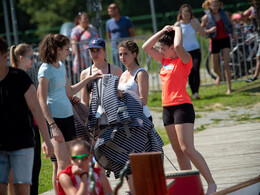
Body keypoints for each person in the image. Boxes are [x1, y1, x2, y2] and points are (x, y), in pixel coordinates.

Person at [142, 25, 217, 195]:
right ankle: (190, 189)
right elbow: (145, 47)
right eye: (159, 48)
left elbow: (177, 46)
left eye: (162, 48)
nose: (160, 51)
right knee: (178, 151)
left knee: (187, 148)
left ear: (171, 48)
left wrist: (177, 28)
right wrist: (162, 31)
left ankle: (211, 183)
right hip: (167, 108)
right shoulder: (164, 60)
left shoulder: (184, 59)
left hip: (182, 106)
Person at [37, 34, 102, 195]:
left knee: (70, 164)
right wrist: (53, 126)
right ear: (58, 49)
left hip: (68, 118)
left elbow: (69, 91)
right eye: (67, 49)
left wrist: (89, 79)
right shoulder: (45, 69)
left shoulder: (61, 65)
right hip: (55, 120)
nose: (69, 52)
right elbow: (41, 101)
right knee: (62, 163)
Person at [0, 37, 53, 195]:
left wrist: (47, 141)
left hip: (22, 142)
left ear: (4, 56)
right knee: (3, 187)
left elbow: (36, 109)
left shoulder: (19, 78)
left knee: (23, 187)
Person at [7, 43, 41, 195]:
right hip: (22, 130)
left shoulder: (24, 76)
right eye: (31, 57)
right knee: (24, 172)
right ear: (21, 58)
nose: (33, 60)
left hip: (32, 127)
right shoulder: (14, 78)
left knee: (35, 167)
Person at [201, 0, 235, 94]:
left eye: (217, 5)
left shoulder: (225, 14)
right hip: (214, 41)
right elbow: (200, 30)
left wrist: (234, 33)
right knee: (215, 67)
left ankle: (229, 88)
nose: (215, 7)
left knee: (226, 64)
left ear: (219, 5)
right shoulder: (206, 17)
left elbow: (232, 25)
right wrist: (209, 30)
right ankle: (219, 76)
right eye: (213, 6)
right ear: (209, 6)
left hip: (225, 40)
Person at [174, 4, 206, 99]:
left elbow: (203, 33)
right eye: (185, 14)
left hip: (195, 49)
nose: (187, 16)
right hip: (185, 52)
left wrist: (196, 26)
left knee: (196, 69)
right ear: (181, 14)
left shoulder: (194, 21)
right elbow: (172, 38)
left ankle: (196, 92)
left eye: (188, 14)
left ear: (190, 14)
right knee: (190, 71)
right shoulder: (178, 24)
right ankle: (193, 92)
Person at [80, 37, 122, 109]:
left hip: (113, 113)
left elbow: (122, 95)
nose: (95, 54)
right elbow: (84, 101)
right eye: (92, 51)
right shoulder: (85, 73)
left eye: (98, 50)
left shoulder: (116, 70)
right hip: (95, 114)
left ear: (104, 51)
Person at [117, 40, 152, 121]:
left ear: (134, 54)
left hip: (142, 117)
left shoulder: (140, 73)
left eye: (125, 54)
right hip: (127, 117)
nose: (122, 57)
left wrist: (124, 94)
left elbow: (143, 101)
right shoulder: (123, 74)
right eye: (120, 54)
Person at [106, 3, 135, 70]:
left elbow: (132, 33)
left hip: (126, 47)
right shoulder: (108, 22)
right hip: (115, 48)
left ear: (116, 10)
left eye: (111, 11)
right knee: (117, 67)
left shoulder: (126, 19)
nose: (109, 13)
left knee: (128, 65)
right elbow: (109, 35)